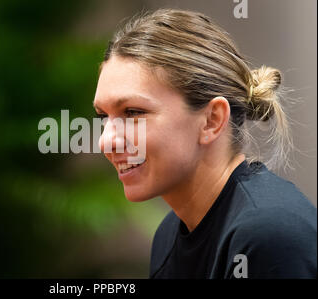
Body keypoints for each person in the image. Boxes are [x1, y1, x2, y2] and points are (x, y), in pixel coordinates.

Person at [93, 9, 317, 279]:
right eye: (103, 116)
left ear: (212, 120)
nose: (107, 141)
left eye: (133, 113)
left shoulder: (268, 234)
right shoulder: (168, 234)